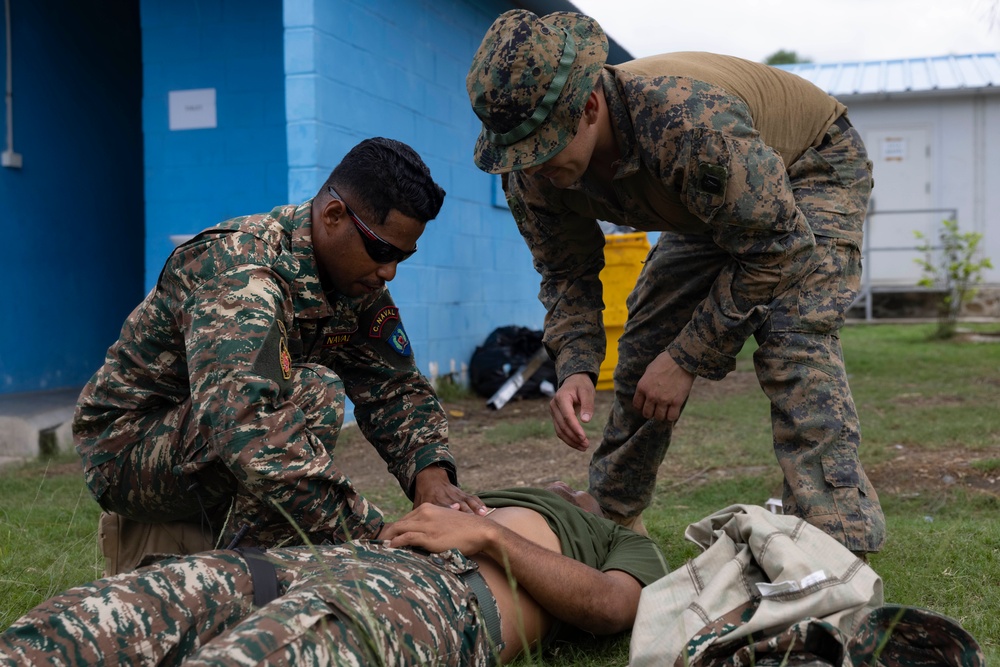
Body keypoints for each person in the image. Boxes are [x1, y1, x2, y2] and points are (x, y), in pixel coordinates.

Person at [465, 10, 885, 554]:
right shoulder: (534, 175)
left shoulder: (689, 125)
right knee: (647, 340)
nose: (530, 167)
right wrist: (575, 366)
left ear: (589, 107)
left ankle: (838, 533)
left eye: (541, 148)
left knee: (793, 332)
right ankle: (613, 509)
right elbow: (566, 273)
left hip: (810, 164)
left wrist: (688, 357)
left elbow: (778, 250)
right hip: (716, 202)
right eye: (517, 153)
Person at [73, 137, 486, 570]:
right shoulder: (242, 271)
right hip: (127, 448)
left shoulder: (356, 279)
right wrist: (373, 535)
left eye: (403, 255)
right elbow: (248, 426)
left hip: (199, 434)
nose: (390, 271)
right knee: (312, 390)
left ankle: (264, 565)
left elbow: (394, 387)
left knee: (303, 391)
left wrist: (430, 476)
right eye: (382, 251)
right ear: (333, 215)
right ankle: (245, 575)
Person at [0, 483, 669, 666]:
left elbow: (610, 609)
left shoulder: (614, 537)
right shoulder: (487, 493)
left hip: (433, 596)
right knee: (121, 608)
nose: (569, 481)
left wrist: (488, 533)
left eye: (584, 485)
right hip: (332, 559)